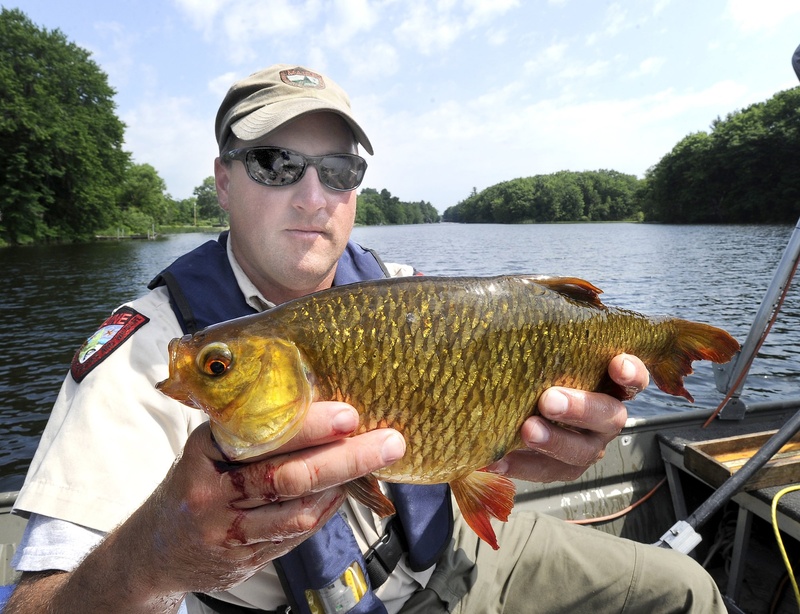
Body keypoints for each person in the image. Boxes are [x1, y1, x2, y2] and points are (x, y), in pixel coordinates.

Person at [5, 64, 725, 614]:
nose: (312, 196)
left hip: (461, 551)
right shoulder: (142, 356)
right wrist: (156, 558)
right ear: (223, 181)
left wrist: (561, 440)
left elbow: (519, 431)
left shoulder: (406, 290)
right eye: (275, 164)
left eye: (339, 170)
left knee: (688, 590)